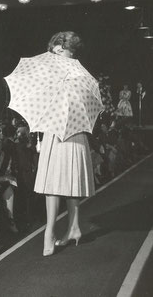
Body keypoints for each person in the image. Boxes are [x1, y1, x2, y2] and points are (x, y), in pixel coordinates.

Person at [34, 31, 95, 256]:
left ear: (71, 52)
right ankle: (72, 228)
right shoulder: (59, 74)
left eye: (61, 51)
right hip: (57, 131)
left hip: (70, 131)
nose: (56, 55)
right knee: (62, 182)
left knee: (61, 183)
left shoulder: (79, 77)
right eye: (54, 52)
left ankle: (53, 232)